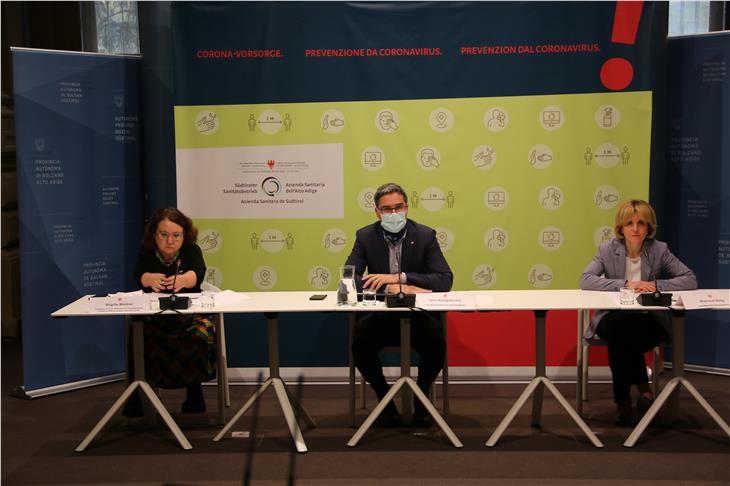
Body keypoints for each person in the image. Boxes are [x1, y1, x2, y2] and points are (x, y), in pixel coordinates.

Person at [345, 182, 453, 427]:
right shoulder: (365, 236)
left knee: (436, 344)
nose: (393, 213)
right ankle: (385, 399)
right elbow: (349, 279)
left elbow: (444, 279)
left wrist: (400, 278)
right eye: (387, 209)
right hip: (382, 316)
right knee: (360, 346)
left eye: (398, 207)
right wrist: (388, 288)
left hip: (417, 316)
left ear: (407, 207)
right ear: (377, 212)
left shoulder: (425, 236)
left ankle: (422, 397)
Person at [580, 199, 697, 426]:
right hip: (613, 317)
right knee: (621, 329)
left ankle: (623, 402)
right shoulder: (607, 250)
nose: (635, 229)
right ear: (621, 227)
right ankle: (644, 391)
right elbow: (585, 279)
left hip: (648, 320)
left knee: (621, 340)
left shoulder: (659, 250)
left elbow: (689, 279)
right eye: (629, 223)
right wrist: (626, 284)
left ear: (649, 227)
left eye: (641, 223)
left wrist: (655, 285)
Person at [123, 207, 216, 417]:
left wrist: (183, 280)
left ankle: (195, 394)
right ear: (154, 234)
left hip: (188, 316)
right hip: (153, 318)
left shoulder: (191, 251)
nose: (170, 241)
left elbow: (197, 273)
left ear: (185, 235)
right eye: (163, 235)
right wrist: (148, 278)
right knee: (138, 334)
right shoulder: (146, 253)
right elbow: (139, 275)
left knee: (200, 334)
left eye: (176, 235)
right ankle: (137, 396)